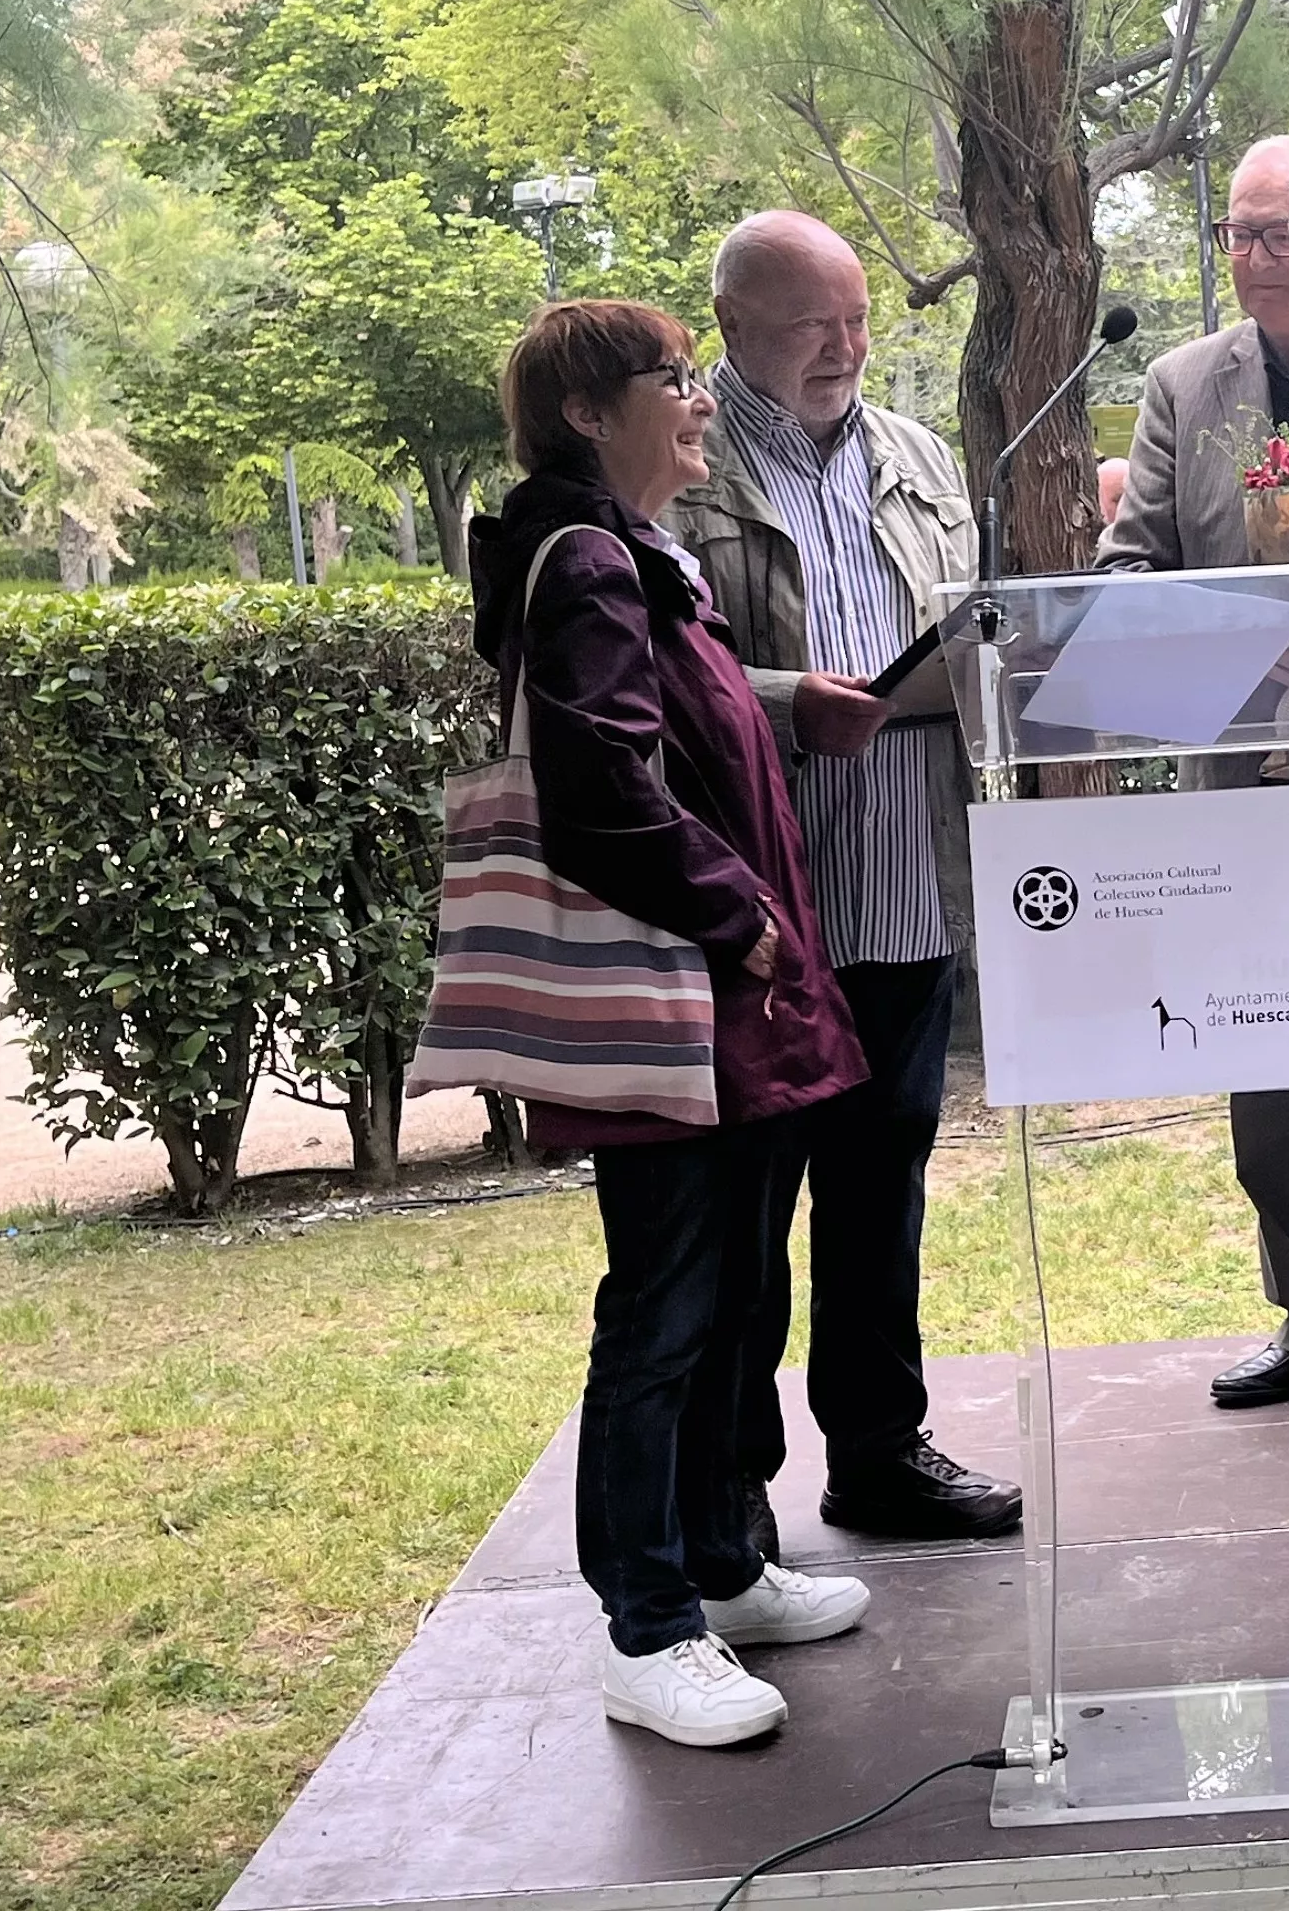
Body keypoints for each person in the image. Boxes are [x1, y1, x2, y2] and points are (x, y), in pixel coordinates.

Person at [470, 299, 876, 1749]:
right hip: (679, 996)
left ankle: (720, 1555)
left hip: (728, 1001)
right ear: (589, 413)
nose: (698, 402)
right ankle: (645, 1625)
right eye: (672, 379)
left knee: (736, 1294)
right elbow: (603, 795)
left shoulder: (647, 559)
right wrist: (741, 913)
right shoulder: (585, 562)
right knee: (662, 1310)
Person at [670, 212, 1024, 1546]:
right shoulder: (681, 469)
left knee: (882, 1201)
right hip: (763, 916)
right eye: (812, 323)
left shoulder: (919, 457)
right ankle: (731, 1499)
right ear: (732, 328)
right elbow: (652, 678)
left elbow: (972, 631)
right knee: (747, 1220)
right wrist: (780, 704)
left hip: (904, 891)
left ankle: (878, 1454)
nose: (845, 346)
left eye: (859, 318)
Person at [1098, 135, 1289, 1411]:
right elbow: (1124, 571)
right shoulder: (1183, 384)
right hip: (1249, 781)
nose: (1255, 258)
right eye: (1237, 234)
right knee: (1276, 1086)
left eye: (1279, 233)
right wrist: (1226, 645)